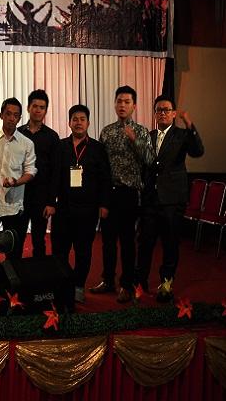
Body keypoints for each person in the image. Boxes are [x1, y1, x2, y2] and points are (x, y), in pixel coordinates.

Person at [135, 96, 204, 302]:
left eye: (166, 110)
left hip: (172, 200)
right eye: (159, 110)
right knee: (145, 244)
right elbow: (145, 164)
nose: (162, 113)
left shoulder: (182, 134)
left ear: (174, 114)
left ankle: (166, 284)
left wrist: (189, 124)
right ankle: (140, 283)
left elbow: (198, 151)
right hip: (150, 200)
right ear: (155, 114)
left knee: (170, 244)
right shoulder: (149, 136)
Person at [91, 85, 155, 303]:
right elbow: (100, 165)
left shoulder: (142, 132)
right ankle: (108, 280)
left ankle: (127, 284)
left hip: (129, 193)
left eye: (127, 102)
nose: (122, 105)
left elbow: (150, 160)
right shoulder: (107, 131)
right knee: (107, 241)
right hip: (109, 193)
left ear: (134, 106)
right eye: (119, 101)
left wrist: (135, 140)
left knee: (127, 241)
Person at [50, 105, 111, 304]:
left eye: (82, 119)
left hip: (88, 210)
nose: (78, 123)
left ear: (88, 123)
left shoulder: (97, 148)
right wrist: (50, 203)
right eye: (74, 119)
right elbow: (53, 177)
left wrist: (104, 204)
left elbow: (105, 179)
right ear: (69, 123)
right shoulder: (60, 146)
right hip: (63, 208)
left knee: (83, 251)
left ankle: (78, 286)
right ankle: (62, 285)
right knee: (60, 251)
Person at [0, 97, 37, 275]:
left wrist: (16, 182)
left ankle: (11, 285)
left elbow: (30, 171)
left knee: (13, 251)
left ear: (20, 118)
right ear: (1, 115)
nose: (11, 118)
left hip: (13, 206)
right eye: (8, 114)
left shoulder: (27, 144)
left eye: (15, 115)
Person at [18, 89, 60, 258]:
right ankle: (14, 273)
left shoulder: (52, 137)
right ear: (28, 108)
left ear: (46, 111)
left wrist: (51, 202)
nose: (38, 110)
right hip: (19, 195)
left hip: (41, 197)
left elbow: (55, 172)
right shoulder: (18, 133)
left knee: (38, 240)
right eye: (35, 106)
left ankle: (39, 273)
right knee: (17, 239)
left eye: (42, 107)